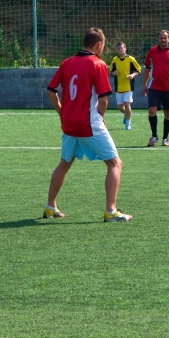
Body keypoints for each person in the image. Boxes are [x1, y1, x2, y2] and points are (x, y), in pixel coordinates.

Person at [43, 27, 133, 223]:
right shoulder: (97, 64)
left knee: (64, 163)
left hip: (69, 124)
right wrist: (101, 117)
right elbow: (103, 99)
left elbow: (51, 90)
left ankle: (50, 207)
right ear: (99, 45)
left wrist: (62, 112)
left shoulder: (67, 62)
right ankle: (111, 211)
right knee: (115, 163)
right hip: (89, 123)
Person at [142, 30, 169, 146]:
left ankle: (165, 138)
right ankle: (154, 136)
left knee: (168, 113)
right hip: (154, 87)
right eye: (161, 38)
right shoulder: (152, 51)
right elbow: (147, 69)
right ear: (158, 39)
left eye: (165, 38)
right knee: (152, 110)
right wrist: (144, 85)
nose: (163, 40)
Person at [110, 41, 141, 130]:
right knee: (120, 107)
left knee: (127, 105)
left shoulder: (131, 59)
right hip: (119, 87)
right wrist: (113, 73)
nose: (120, 50)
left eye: (121, 48)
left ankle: (128, 123)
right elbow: (111, 72)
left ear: (125, 48)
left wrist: (132, 75)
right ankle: (127, 115)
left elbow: (138, 70)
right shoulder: (115, 60)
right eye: (118, 48)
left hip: (128, 86)